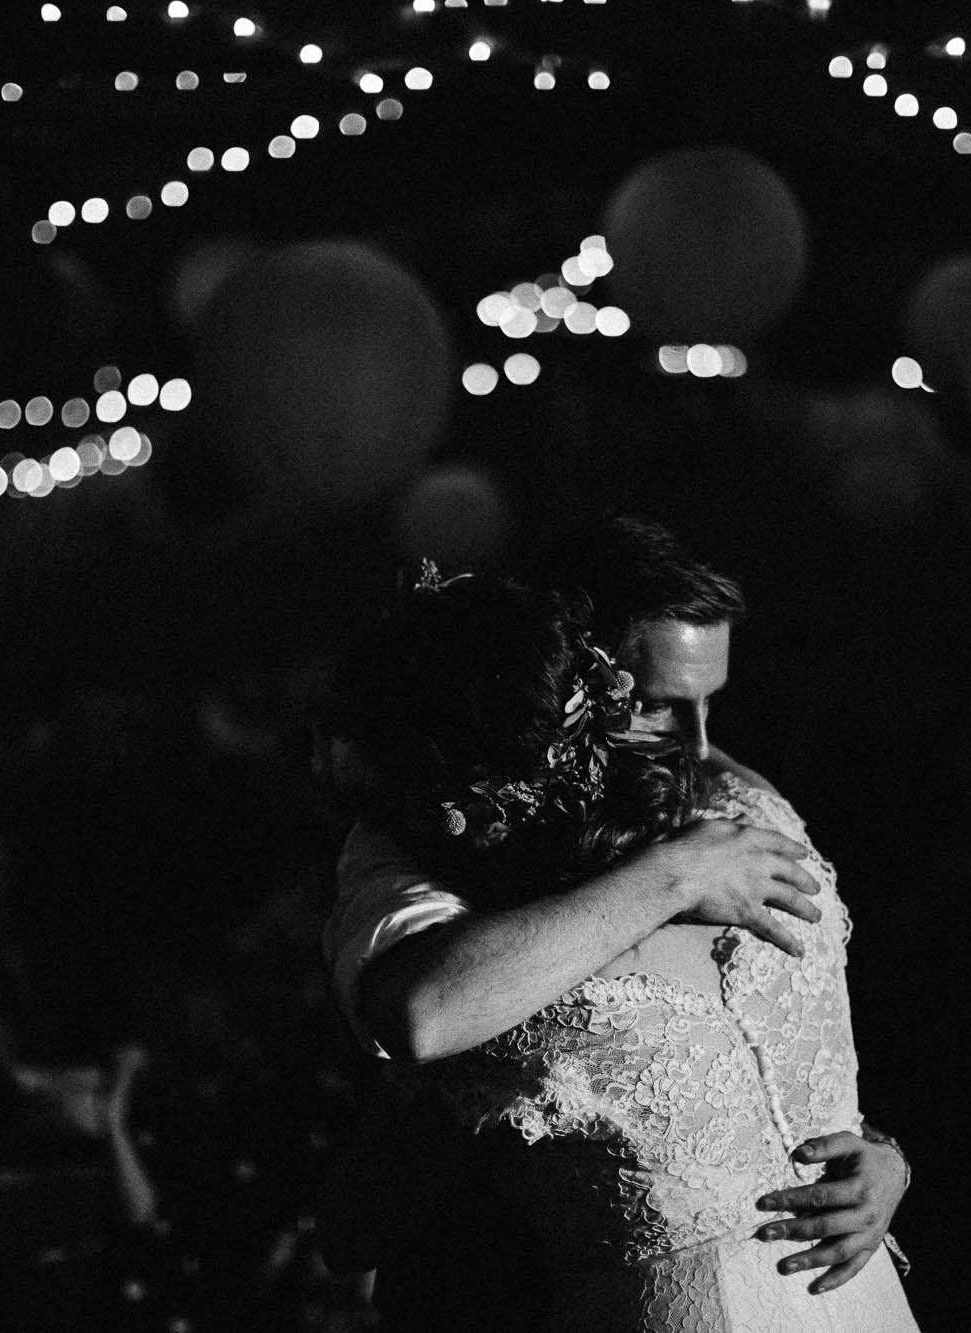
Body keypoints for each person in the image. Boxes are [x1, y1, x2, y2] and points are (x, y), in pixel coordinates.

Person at [319, 517, 916, 1330]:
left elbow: (775, 1061)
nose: (703, 749)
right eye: (665, 707)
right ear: (572, 680)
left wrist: (884, 1158)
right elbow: (422, 1031)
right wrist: (674, 877)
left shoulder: (743, 803)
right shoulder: (439, 848)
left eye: (713, 705)